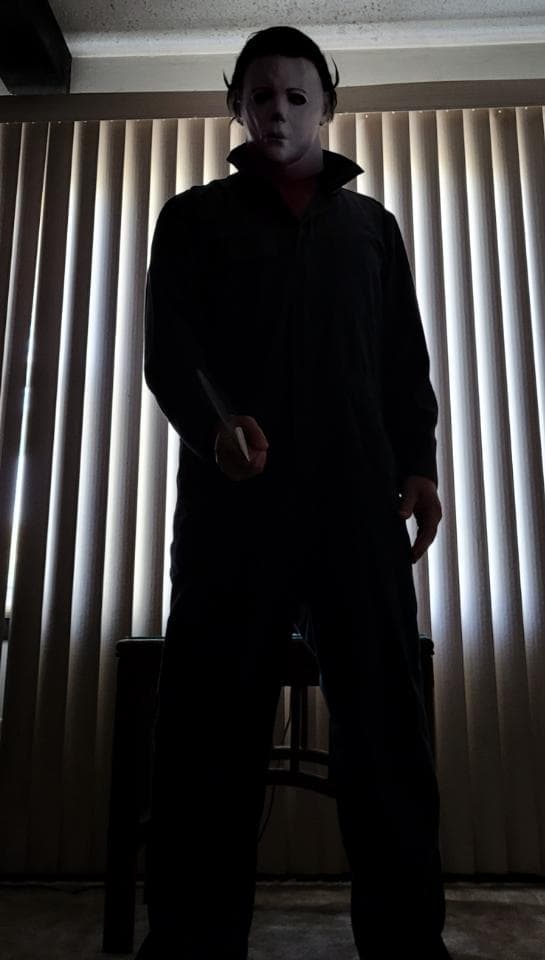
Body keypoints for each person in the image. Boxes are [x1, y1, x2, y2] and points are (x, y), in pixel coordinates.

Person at [136, 24, 450, 960]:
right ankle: (190, 945)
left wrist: (419, 463)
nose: (278, 111)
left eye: (296, 96)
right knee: (207, 737)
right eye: (260, 96)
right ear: (236, 106)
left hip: (357, 515)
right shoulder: (192, 220)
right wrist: (214, 428)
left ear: (327, 106)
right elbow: (170, 352)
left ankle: (406, 946)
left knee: (385, 733)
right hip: (234, 516)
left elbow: (401, 359)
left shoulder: (371, 229)